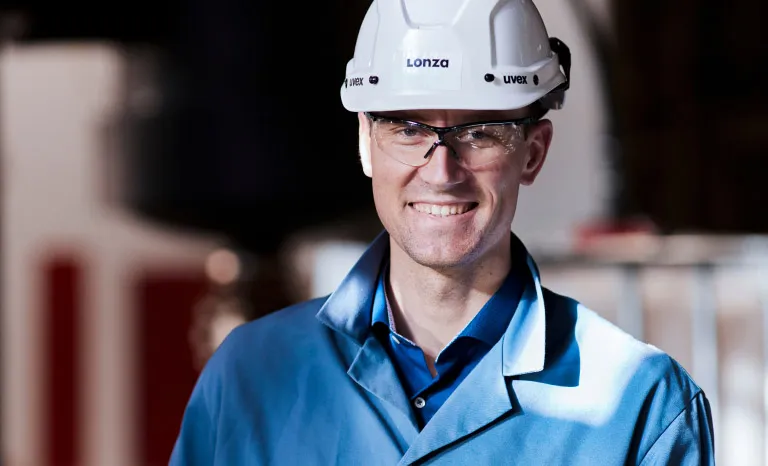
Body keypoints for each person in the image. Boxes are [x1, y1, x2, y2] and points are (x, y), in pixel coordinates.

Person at [169, 0, 715, 464]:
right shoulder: (248, 379)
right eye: (408, 128)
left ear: (534, 152)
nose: (441, 171)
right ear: (364, 142)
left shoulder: (641, 408)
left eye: (480, 131)